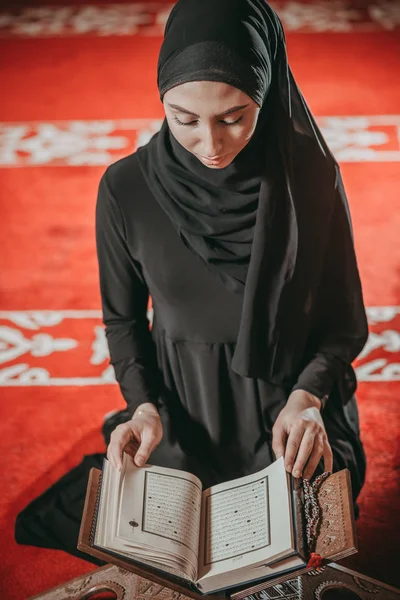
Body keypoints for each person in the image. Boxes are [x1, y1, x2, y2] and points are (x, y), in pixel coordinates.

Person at [15, 0, 368, 564]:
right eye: (184, 119)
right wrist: (144, 407)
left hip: (288, 405)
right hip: (183, 406)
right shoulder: (125, 188)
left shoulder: (310, 176)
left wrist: (307, 400)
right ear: (162, 102)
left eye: (233, 117)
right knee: (162, 543)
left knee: (298, 536)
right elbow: (122, 319)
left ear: (267, 92)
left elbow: (345, 324)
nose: (211, 144)